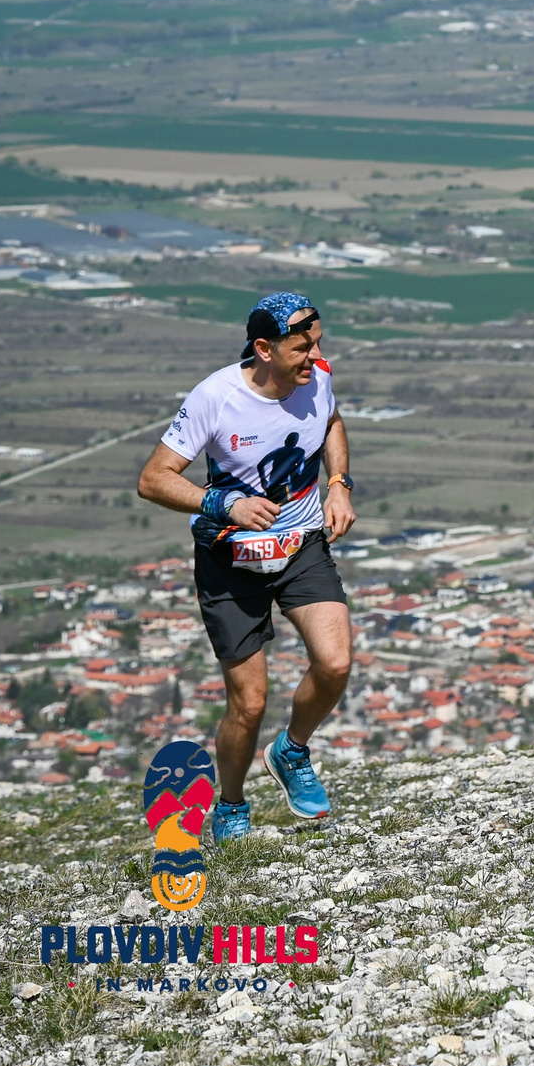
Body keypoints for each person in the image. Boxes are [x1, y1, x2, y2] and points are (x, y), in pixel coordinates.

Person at [135, 292, 355, 842]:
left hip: (300, 544)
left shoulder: (317, 377)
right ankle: (231, 805)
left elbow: (331, 421)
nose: (316, 357)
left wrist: (338, 483)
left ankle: (292, 751)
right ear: (263, 348)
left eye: (318, 343)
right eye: (302, 348)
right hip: (230, 559)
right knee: (249, 703)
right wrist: (222, 502)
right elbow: (153, 479)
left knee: (335, 664)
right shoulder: (216, 397)